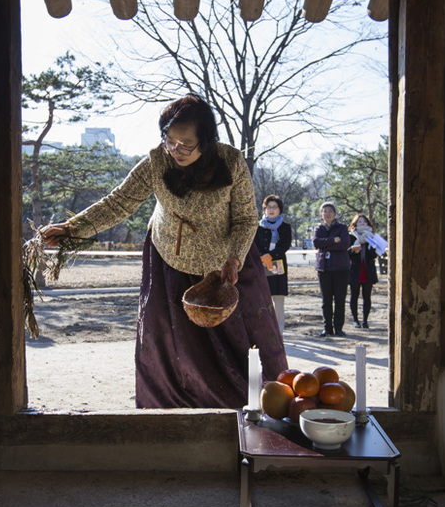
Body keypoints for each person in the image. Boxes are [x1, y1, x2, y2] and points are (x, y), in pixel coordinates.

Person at [40, 94, 287, 408]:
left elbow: (245, 218)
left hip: (227, 264)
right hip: (171, 260)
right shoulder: (157, 160)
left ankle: (251, 407)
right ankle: (172, 411)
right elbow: (119, 202)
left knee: (243, 344)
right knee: (173, 346)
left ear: (206, 140)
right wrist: (72, 228)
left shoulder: (231, 161)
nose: (175, 150)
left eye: (186, 144)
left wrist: (234, 257)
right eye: (169, 140)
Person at [253, 194, 292, 334]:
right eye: (268, 207)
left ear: (279, 210)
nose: (271, 210)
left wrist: (271, 255)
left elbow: (285, 245)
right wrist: (263, 257)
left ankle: (279, 333)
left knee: (278, 299)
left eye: (274, 207)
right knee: (262, 298)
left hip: (278, 265)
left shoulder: (285, 227)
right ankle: (264, 332)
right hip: (261, 264)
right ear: (264, 209)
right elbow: (254, 244)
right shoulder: (257, 227)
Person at [312, 202, 350, 337]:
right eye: (324, 211)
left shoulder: (342, 227)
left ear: (334, 214)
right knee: (326, 300)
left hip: (341, 268)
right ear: (321, 215)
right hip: (324, 268)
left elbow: (344, 244)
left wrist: (326, 245)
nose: (327, 213)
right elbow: (316, 243)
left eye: (330, 211)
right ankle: (327, 328)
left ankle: (338, 327)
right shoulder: (318, 228)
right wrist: (333, 240)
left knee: (340, 299)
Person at [348, 214, 379, 329]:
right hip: (354, 270)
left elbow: (374, 255)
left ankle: (365, 320)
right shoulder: (351, 236)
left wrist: (371, 246)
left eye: (364, 222)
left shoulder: (371, 236)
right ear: (355, 224)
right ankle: (355, 320)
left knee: (367, 297)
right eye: (359, 222)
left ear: (368, 224)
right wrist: (352, 250)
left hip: (367, 270)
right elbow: (346, 253)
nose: (362, 224)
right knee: (354, 296)